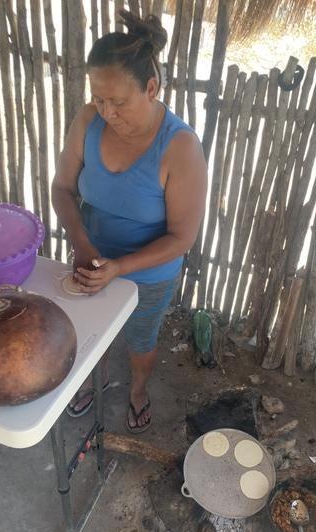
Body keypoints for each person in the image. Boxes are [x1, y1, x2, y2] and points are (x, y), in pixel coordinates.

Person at [51, 10, 207, 433]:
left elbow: (182, 237)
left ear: (151, 88)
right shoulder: (88, 121)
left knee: (141, 339)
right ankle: (95, 377)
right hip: (91, 253)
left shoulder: (179, 147)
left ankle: (138, 390)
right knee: (90, 328)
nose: (107, 111)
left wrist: (120, 268)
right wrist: (83, 244)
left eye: (118, 101)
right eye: (99, 98)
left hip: (149, 273)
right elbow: (62, 188)